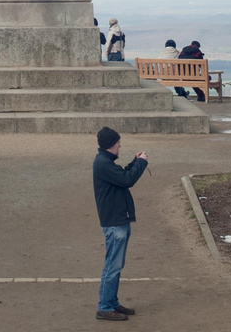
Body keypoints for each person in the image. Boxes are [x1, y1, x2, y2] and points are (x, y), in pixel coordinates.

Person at [92, 125, 148, 321]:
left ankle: (111, 302)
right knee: (112, 265)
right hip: (114, 221)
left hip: (117, 219)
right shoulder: (103, 164)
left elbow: (122, 175)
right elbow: (127, 180)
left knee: (116, 264)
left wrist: (134, 162)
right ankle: (105, 306)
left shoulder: (105, 162)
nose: (120, 145)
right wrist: (141, 163)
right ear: (110, 145)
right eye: (117, 143)